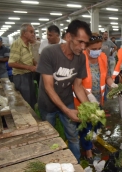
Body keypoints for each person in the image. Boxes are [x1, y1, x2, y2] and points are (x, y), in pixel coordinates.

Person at [36, 19, 92, 162]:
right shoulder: (49, 53)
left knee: (72, 135)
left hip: (66, 101)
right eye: (80, 41)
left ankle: (76, 163)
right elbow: (48, 87)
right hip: (47, 104)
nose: (83, 47)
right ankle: (53, 163)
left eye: (85, 43)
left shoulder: (80, 58)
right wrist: (67, 112)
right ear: (68, 37)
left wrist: (88, 108)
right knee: (49, 136)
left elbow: (78, 86)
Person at [73, 33, 116, 165]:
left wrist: (112, 84)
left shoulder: (103, 57)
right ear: (86, 47)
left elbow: (107, 75)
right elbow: (75, 83)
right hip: (83, 101)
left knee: (96, 126)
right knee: (86, 127)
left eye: (99, 48)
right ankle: (88, 151)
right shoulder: (79, 59)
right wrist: (88, 96)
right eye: (94, 49)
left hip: (98, 99)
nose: (97, 51)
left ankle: (91, 144)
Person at [8, 23, 37, 109]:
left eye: (34, 32)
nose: (33, 34)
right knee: (25, 102)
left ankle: (32, 119)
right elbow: (11, 63)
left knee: (31, 100)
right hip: (21, 77)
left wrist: (35, 63)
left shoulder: (29, 44)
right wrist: (29, 67)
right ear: (24, 33)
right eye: (31, 32)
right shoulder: (17, 44)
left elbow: (31, 59)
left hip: (29, 76)